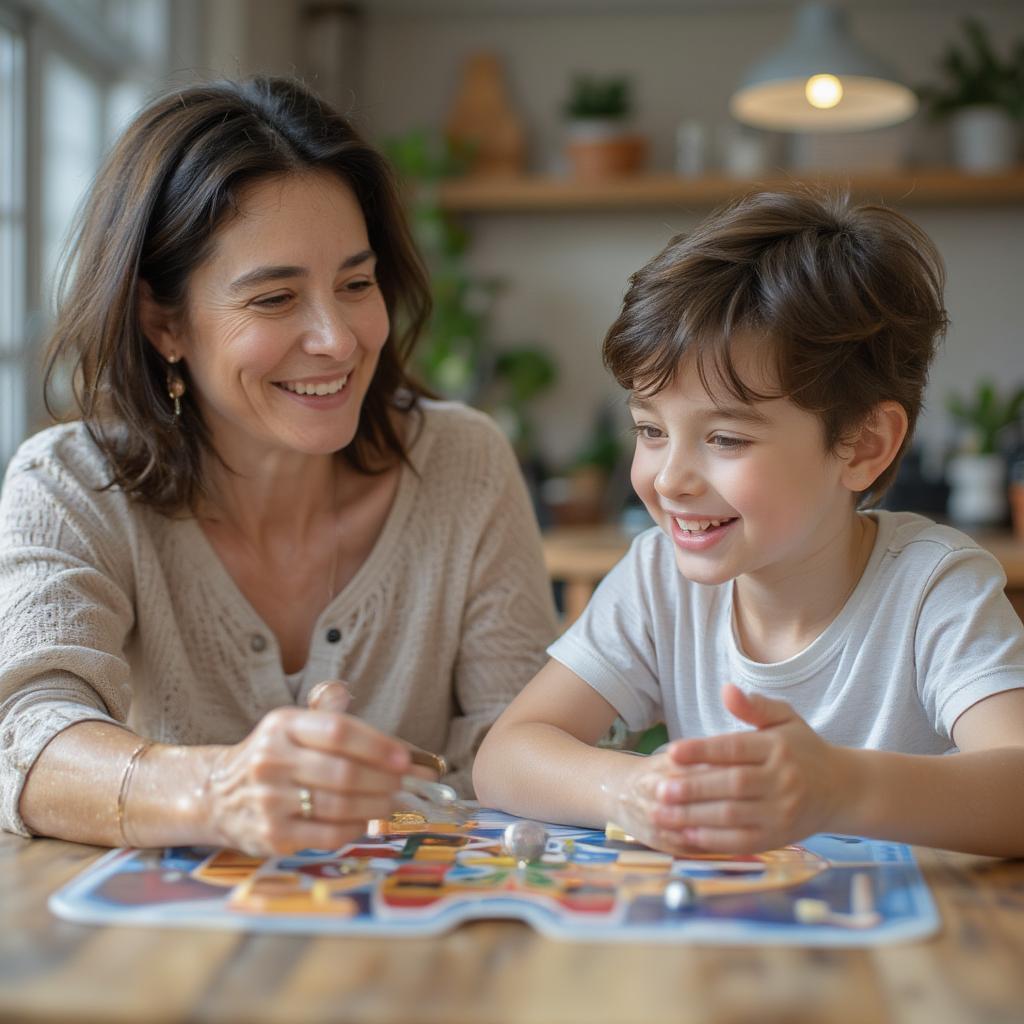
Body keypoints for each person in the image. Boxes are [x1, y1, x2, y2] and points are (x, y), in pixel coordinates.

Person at [0, 76, 557, 855]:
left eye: (356, 284)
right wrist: (218, 792)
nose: (338, 338)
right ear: (163, 322)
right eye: (274, 300)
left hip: (416, 952)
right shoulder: (67, 484)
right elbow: (24, 738)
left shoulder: (464, 462)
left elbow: (524, 746)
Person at [474, 188, 1024, 858]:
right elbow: (504, 756)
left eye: (727, 439)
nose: (669, 478)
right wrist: (634, 789)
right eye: (650, 429)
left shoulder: (935, 588)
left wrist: (841, 787)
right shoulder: (658, 580)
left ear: (864, 445)